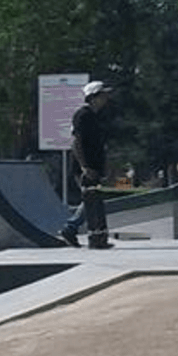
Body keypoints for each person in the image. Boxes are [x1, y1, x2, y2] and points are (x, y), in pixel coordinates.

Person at [60, 80, 113, 249]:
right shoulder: (82, 115)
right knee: (91, 198)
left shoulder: (97, 117)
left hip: (95, 166)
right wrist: (84, 166)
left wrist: (104, 166)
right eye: (102, 95)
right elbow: (76, 142)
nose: (106, 98)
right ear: (93, 97)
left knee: (93, 199)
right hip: (84, 167)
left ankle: (84, 232)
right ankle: (71, 228)